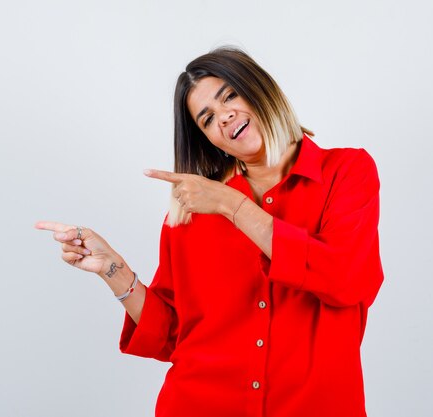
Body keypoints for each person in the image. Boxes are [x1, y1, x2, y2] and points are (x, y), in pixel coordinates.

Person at [36, 46, 383, 417]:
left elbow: (346, 279)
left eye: (230, 95)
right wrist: (112, 268)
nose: (224, 116)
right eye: (206, 118)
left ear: (260, 87)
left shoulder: (346, 172)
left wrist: (232, 206)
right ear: (208, 139)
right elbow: (172, 336)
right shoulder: (190, 213)